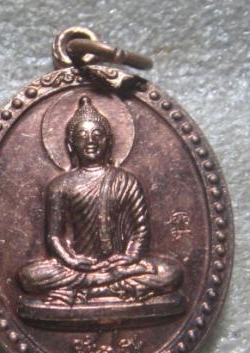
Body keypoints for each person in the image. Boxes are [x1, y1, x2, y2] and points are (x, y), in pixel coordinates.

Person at [18, 96, 182, 306]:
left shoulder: (127, 181)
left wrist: (130, 257)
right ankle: (110, 286)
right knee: (29, 276)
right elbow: (54, 236)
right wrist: (71, 260)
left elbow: (140, 229)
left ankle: (85, 290)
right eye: (82, 136)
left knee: (171, 272)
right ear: (70, 144)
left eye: (97, 135)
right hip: (78, 267)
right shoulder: (60, 186)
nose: (90, 141)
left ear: (109, 141)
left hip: (120, 265)